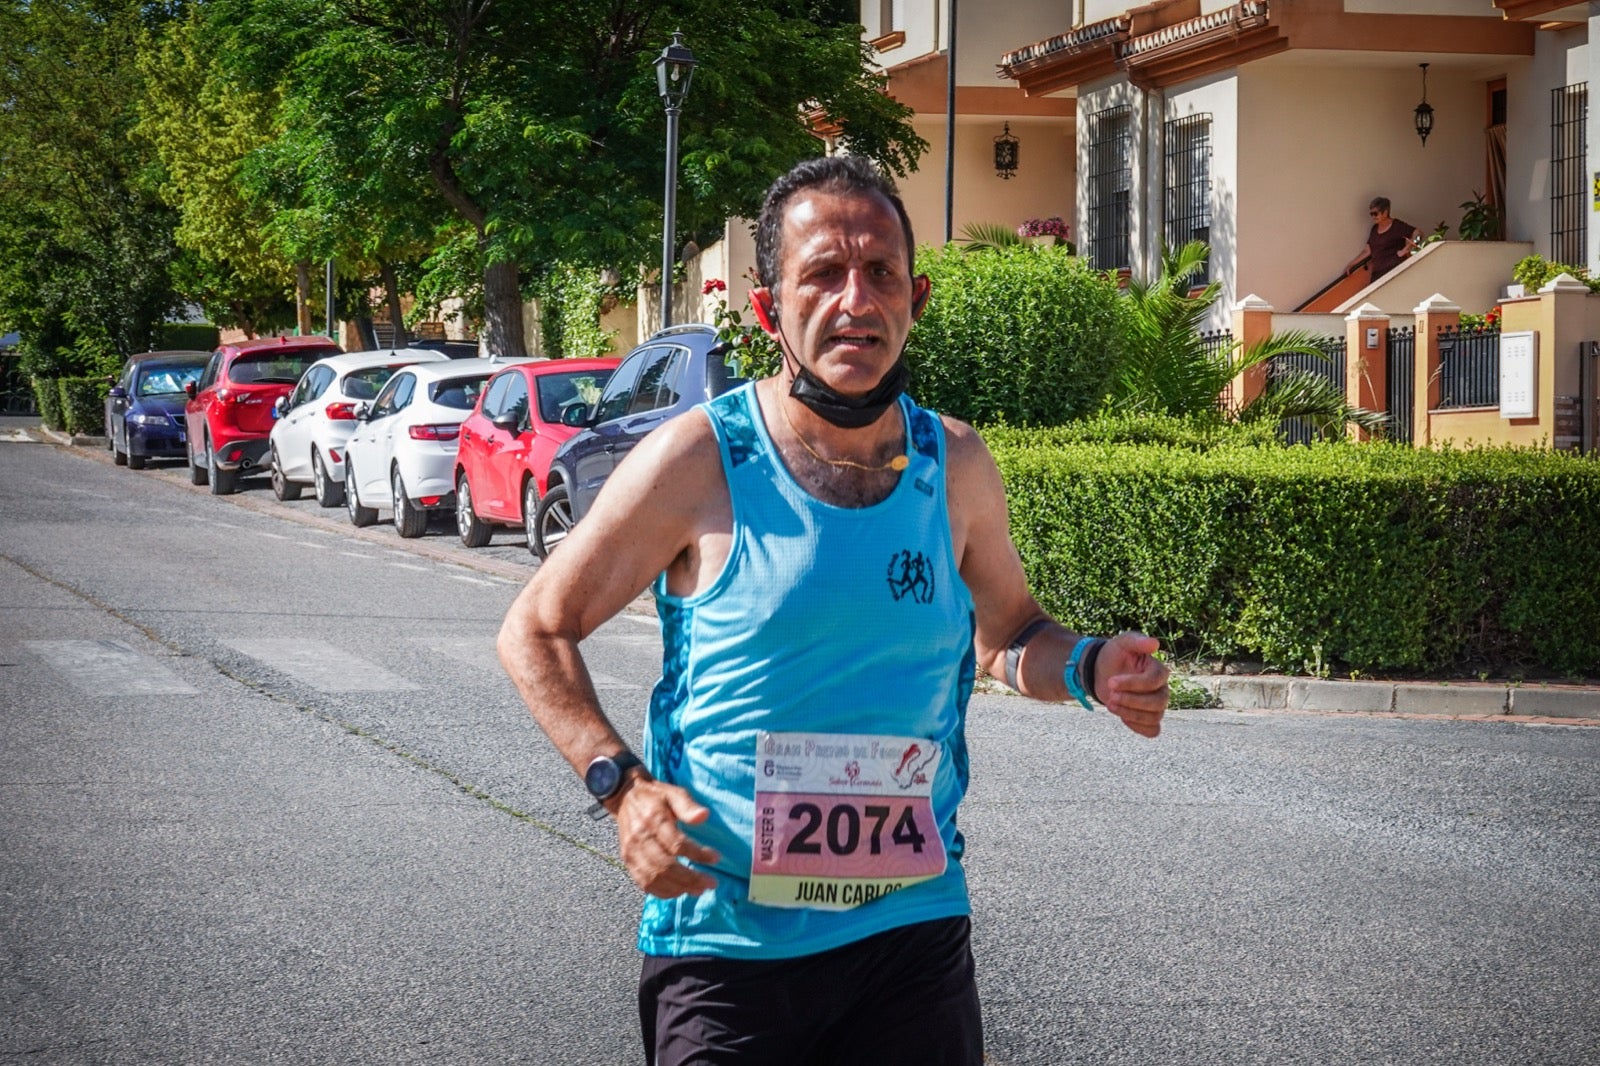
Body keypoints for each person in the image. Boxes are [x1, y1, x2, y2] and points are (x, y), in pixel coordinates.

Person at [497, 155, 1171, 1065]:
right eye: (822, 273)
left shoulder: (956, 465)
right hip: (726, 946)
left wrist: (1090, 667)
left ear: (915, 299)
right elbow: (536, 627)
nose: (856, 300)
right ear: (768, 307)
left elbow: (1010, 634)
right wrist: (621, 787)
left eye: (881, 272)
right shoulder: (697, 460)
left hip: (911, 936)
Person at [1346, 196, 1421, 282]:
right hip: (1377, 273)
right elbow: (1367, 250)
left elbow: (1419, 233)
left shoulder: (1397, 226)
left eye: (1375, 214)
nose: (1373, 217)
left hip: (1395, 269)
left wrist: (1407, 248)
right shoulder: (1374, 229)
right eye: (1371, 214)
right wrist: (1351, 264)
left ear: (1385, 213)